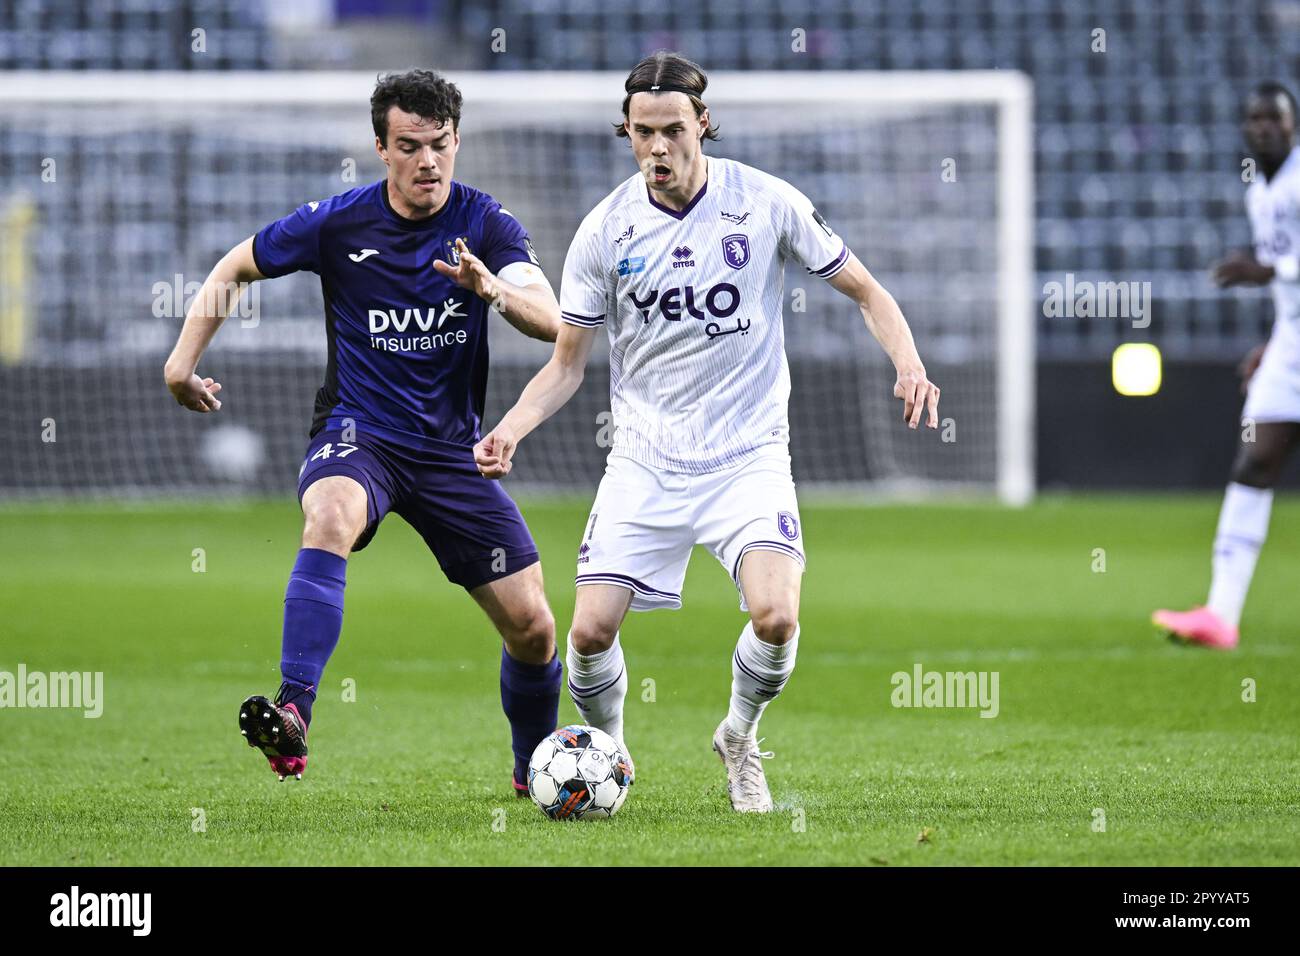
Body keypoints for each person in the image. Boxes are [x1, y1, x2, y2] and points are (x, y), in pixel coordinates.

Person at [473, 52, 941, 812]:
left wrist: (909, 360)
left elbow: (865, 289)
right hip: (645, 460)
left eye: (673, 130)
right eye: (642, 132)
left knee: (777, 616)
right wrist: (512, 428)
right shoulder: (605, 230)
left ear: (703, 126)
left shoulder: (764, 202)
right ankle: (612, 751)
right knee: (588, 634)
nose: (658, 147)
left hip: (747, 456)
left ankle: (740, 736)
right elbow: (566, 364)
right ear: (625, 131)